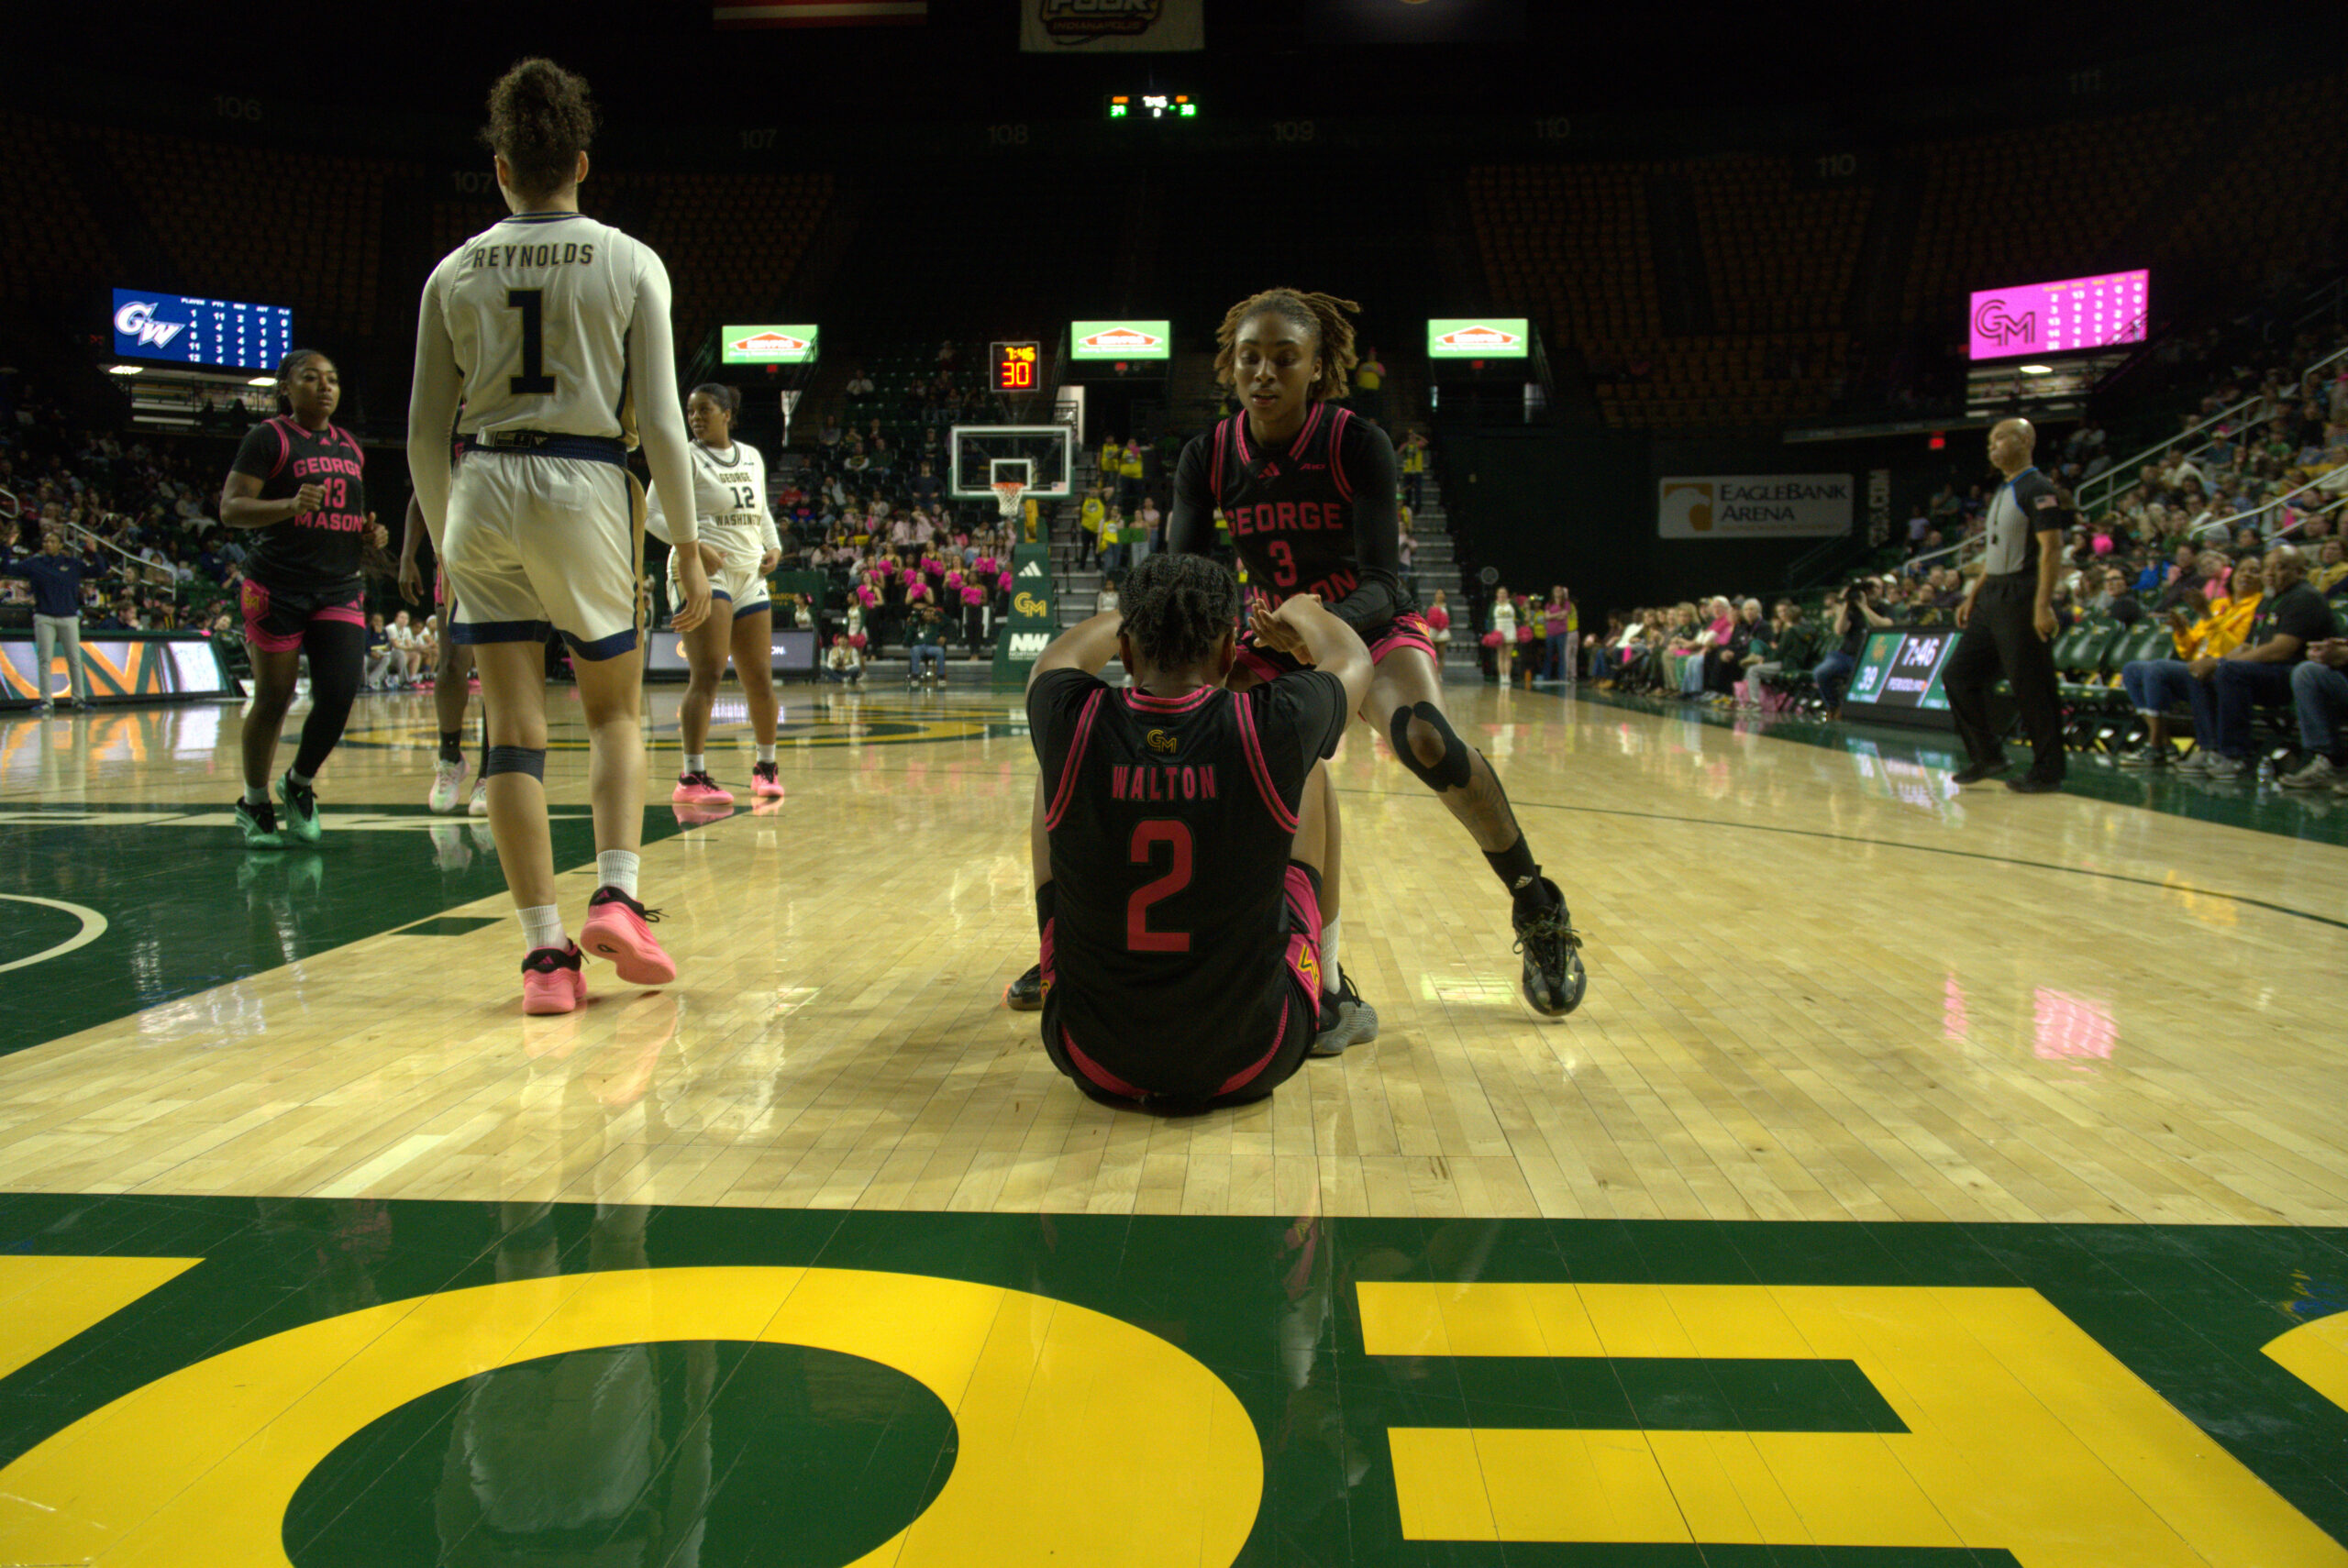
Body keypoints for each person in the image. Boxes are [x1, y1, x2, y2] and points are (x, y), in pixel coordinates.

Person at [1170, 287, 1582, 1028]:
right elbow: (1182, 579)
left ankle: (1535, 901)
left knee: (1426, 740)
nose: (1263, 373)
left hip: (1365, 623)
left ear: (1316, 367)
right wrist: (1223, 640)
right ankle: (1109, 932)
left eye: (1283, 359)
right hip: (1273, 637)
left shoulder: (1355, 441)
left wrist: (1318, 627)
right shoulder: (1206, 456)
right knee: (1180, 733)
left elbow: (1386, 583)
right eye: (1249, 358)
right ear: (1230, 368)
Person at [407, 57, 713, 1015]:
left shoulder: (451, 271)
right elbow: (661, 422)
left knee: (513, 732)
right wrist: (691, 544)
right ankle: (616, 893)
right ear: (581, 162)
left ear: (499, 169)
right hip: (582, 480)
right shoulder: (628, 258)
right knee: (616, 712)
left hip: (482, 483)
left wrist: (449, 544)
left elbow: (421, 432)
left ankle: (546, 960)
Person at [1022, 553, 1371, 1110]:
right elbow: (1352, 658)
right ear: (1230, 650)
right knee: (1311, 771)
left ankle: (1046, 966)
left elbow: (1055, 659)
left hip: (1091, 1056)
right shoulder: (1273, 724)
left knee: (1053, 771)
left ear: (1128, 650)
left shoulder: (1068, 715)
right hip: (1253, 1058)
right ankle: (1328, 990)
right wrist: (1301, 609)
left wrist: (1137, 615)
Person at [220, 348, 386, 847]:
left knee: (338, 695)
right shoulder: (267, 437)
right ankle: (253, 802)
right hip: (277, 586)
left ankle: (298, 785)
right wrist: (288, 505)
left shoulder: (351, 447)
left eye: (332, 379)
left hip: (337, 584)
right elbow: (231, 509)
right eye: (310, 378)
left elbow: (348, 516)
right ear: (286, 389)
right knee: (274, 698)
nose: (325, 387)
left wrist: (369, 534)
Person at [648, 382, 786, 807]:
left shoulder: (752, 456)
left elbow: (759, 508)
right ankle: (691, 775)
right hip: (704, 573)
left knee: (759, 677)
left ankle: (765, 768)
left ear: (727, 413)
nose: (695, 418)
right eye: (691, 411)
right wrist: (693, 547)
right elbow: (652, 514)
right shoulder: (683, 457)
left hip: (748, 574)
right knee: (707, 674)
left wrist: (774, 544)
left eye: (704, 409)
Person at [1944, 419, 2071, 792]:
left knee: (2031, 684)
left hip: (2023, 594)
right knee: (1958, 676)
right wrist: (1973, 593)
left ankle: (2048, 771)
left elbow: (2052, 548)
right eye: (1989, 441)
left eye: (2000, 438)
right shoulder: (2003, 490)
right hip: (1993, 595)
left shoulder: (2039, 488)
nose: (1992, 446)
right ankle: (1988, 755)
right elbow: (1996, 550)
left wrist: (2043, 605)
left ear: (2026, 440)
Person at [399, 467, 489, 818]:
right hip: (453, 560)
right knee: (451, 666)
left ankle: (489, 773)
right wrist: (407, 555)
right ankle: (450, 756)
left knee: (497, 674)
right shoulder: (453, 429)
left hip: (508, 558)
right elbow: (423, 490)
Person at [2, 531, 95, 712]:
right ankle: (46, 702)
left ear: (61, 545)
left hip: (69, 617)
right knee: (45, 659)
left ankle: (79, 700)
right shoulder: (34, 564)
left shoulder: (72, 564)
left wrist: (93, 552)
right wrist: (7, 547)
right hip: (44, 616)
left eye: (52, 541)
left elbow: (98, 571)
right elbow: (6, 569)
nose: (48, 544)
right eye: (45, 541)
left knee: (74, 659)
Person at [1811, 580, 1891, 718]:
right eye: (1869, 588)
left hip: (1872, 658)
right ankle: (1833, 707)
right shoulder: (1852, 610)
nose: (1873, 591)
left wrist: (1864, 607)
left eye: (1877, 587)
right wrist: (1846, 605)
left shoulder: (1884, 608)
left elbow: (1885, 625)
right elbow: (1839, 630)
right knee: (1821, 672)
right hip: (1845, 655)